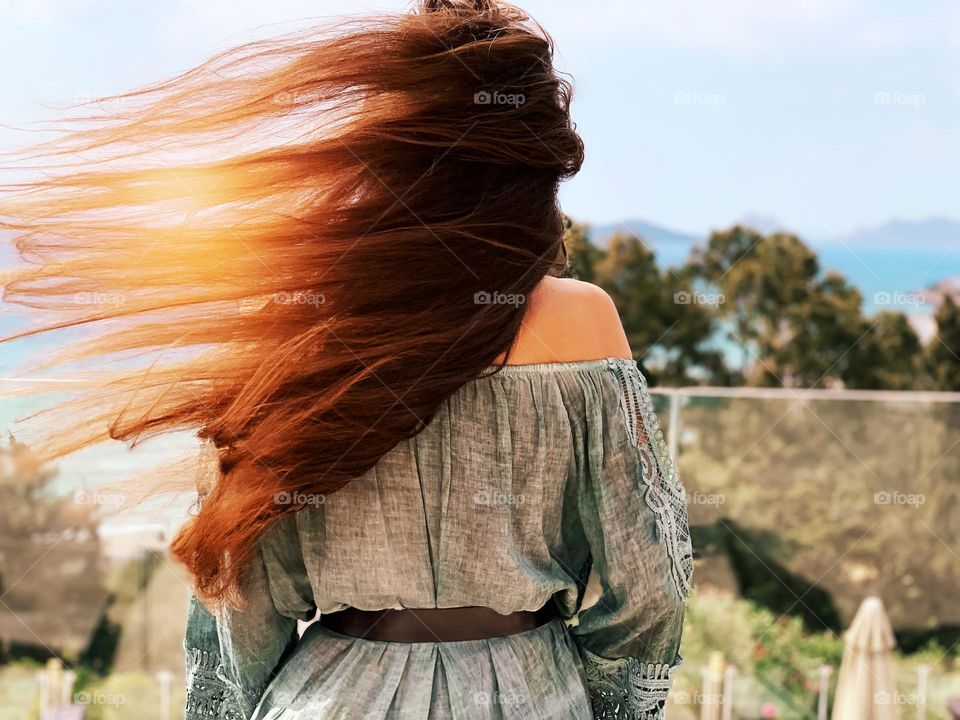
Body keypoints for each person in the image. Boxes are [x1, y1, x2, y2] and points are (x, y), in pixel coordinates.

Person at [0, 1, 691, 717]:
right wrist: (596, 697)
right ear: (532, 166)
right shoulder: (581, 320)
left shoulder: (301, 321)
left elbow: (241, 590)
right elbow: (651, 582)